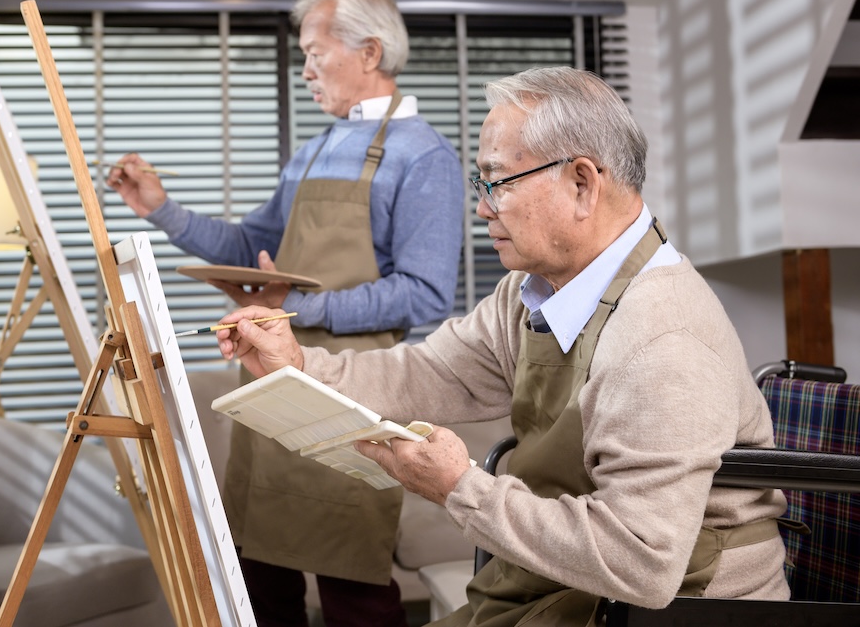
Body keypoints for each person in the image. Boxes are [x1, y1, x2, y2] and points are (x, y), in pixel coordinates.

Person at [212, 66, 792, 626]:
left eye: (498, 183)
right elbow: (433, 372)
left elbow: (641, 561)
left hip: (680, 606)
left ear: (582, 184)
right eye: (480, 184)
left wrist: (461, 487)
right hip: (566, 584)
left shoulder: (665, 338)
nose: (483, 207)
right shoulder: (531, 291)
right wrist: (300, 363)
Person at [109, 0, 465, 627]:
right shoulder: (315, 150)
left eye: (314, 53)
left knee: (351, 584)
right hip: (275, 385)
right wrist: (161, 210)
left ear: (369, 52)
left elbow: (425, 293)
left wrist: (302, 312)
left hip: (350, 396)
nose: (304, 71)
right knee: (258, 574)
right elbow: (254, 244)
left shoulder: (424, 156)